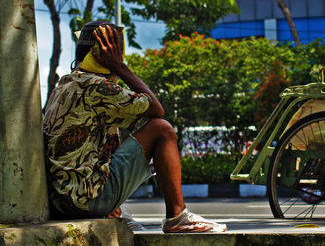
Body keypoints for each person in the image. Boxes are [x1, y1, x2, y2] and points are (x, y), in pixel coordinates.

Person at [43, 21, 227, 233]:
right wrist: (120, 68)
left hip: (62, 200)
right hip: (85, 200)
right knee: (162, 129)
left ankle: (119, 211)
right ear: (105, 55)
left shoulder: (66, 84)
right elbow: (157, 110)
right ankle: (178, 216)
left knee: (111, 133)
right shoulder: (96, 87)